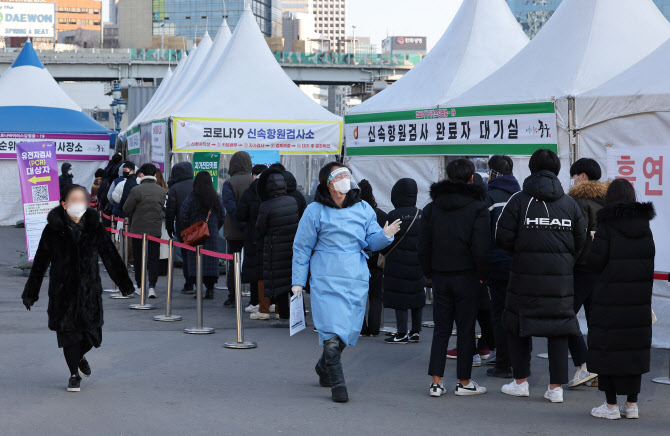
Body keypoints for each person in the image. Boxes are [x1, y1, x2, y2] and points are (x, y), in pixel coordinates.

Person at [292, 162, 400, 403]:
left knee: (347, 330)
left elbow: (372, 243)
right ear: (328, 183)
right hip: (325, 278)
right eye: (340, 175)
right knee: (331, 331)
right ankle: (338, 384)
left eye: (347, 174)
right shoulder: (314, 211)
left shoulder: (363, 208)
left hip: (355, 278)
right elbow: (302, 248)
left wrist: (385, 235)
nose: (345, 178)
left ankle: (323, 367)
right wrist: (298, 281)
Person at [22, 184, 134, 392]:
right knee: (68, 335)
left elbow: (109, 255)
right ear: (64, 204)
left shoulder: (94, 226)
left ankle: (81, 355)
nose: (78, 204)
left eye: (81, 199)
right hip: (62, 292)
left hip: (89, 291)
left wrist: (124, 284)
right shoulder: (53, 229)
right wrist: (31, 292)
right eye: (73, 200)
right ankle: (74, 374)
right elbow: (40, 262)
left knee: (94, 336)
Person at [496, 148, 586, 403]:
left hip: (524, 276)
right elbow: (581, 241)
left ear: (533, 169)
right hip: (560, 280)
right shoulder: (570, 204)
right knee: (558, 328)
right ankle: (555, 388)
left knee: (518, 326)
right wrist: (565, 262)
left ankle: (521, 382)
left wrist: (523, 250)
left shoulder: (519, 201)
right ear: (557, 169)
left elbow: (502, 237)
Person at [419, 159, 490, 398]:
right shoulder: (478, 207)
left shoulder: (431, 208)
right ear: (472, 178)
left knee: (441, 328)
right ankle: (464, 381)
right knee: (466, 328)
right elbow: (481, 246)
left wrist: (429, 271)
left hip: (440, 275)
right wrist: (482, 275)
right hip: (468, 276)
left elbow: (424, 245)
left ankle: (436, 382)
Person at [586, 179, 655, 420]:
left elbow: (596, 262)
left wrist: (594, 243)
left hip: (610, 299)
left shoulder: (607, 224)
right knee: (633, 349)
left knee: (609, 350)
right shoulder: (645, 225)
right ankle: (632, 405)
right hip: (638, 300)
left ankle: (611, 406)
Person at [566, 158, 609, 387]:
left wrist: (567, 264)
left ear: (582, 176)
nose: (571, 179)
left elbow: (578, 239)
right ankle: (597, 370)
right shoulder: (607, 200)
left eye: (573, 175)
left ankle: (584, 365)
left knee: (564, 315)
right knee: (596, 321)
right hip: (601, 268)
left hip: (581, 267)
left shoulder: (579, 200)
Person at [485, 155, 520, 379]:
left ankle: (503, 364)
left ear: (494, 173)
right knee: (516, 313)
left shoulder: (489, 197)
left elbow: (484, 235)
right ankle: (518, 363)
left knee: (498, 314)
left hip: (497, 264)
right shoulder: (521, 196)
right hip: (519, 265)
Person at [383, 178, 425, 344]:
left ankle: (401, 333)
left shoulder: (393, 215)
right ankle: (415, 332)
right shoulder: (421, 214)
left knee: (400, 298)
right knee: (416, 296)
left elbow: (385, 239)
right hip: (417, 263)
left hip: (397, 264)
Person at [256, 168, 300, 327]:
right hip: (292, 247)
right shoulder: (292, 201)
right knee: (293, 281)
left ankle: (284, 317)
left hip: (275, 248)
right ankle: (297, 316)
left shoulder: (266, 205)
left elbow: (260, 228)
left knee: (280, 283)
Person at [123, 163, 167, 298]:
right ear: (154, 175)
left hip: (138, 229)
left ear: (142, 174)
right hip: (155, 229)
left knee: (139, 258)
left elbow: (126, 208)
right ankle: (152, 286)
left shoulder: (136, 190)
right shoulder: (161, 191)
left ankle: (140, 286)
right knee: (153, 258)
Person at [180, 171, 225, 299]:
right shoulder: (216, 198)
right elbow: (222, 215)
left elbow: (183, 215)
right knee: (211, 262)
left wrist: (190, 229)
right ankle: (210, 289)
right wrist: (215, 227)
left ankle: (197, 288)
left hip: (195, 236)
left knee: (195, 262)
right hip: (212, 235)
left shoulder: (191, 197)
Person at [221, 151, 254, 307]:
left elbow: (229, 206)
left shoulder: (229, 182)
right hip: (253, 229)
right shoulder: (254, 181)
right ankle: (255, 298)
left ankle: (233, 296)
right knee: (252, 262)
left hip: (233, 230)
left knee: (233, 264)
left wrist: (239, 222)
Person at [236, 164, 269, 318]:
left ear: (254, 176)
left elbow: (240, 214)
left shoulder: (250, 192)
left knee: (255, 272)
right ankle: (273, 304)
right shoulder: (273, 190)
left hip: (252, 236)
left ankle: (256, 302)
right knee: (270, 270)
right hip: (271, 236)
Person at [358, 179, 387, 337]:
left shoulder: (354, 214)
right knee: (376, 296)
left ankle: (361, 328)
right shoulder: (380, 215)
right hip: (376, 260)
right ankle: (374, 329)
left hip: (358, 260)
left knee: (359, 296)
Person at [166, 162, 195, 294]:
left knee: (186, 255)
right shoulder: (197, 184)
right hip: (199, 227)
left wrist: (169, 227)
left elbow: (170, 211)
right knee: (200, 255)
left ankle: (189, 282)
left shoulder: (174, 188)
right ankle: (202, 282)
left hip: (182, 227)